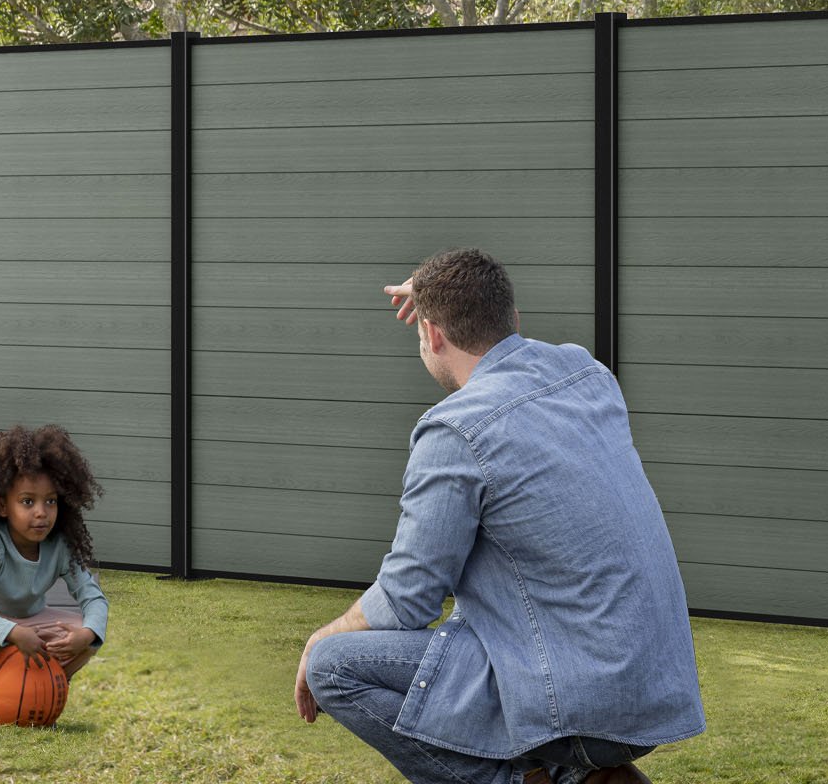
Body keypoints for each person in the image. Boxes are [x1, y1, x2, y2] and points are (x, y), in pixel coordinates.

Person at [293, 248, 705, 784]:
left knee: (335, 666)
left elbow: (408, 598)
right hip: (651, 692)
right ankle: (587, 776)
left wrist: (320, 638)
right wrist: (449, 296)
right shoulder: (586, 373)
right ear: (513, 318)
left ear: (432, 335)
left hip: (584, 703)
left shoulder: (457, 429)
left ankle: (529, 778)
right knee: (479, 601)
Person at [0, 424, 110, 725]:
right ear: (2, 506)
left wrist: (88, 634)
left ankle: (46, 685)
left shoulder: (60, 546)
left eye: (50, 501)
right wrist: (13, 633)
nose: (41, 512)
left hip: (33, 623)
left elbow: (94, 598)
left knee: (85, 634)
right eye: (28, 501)